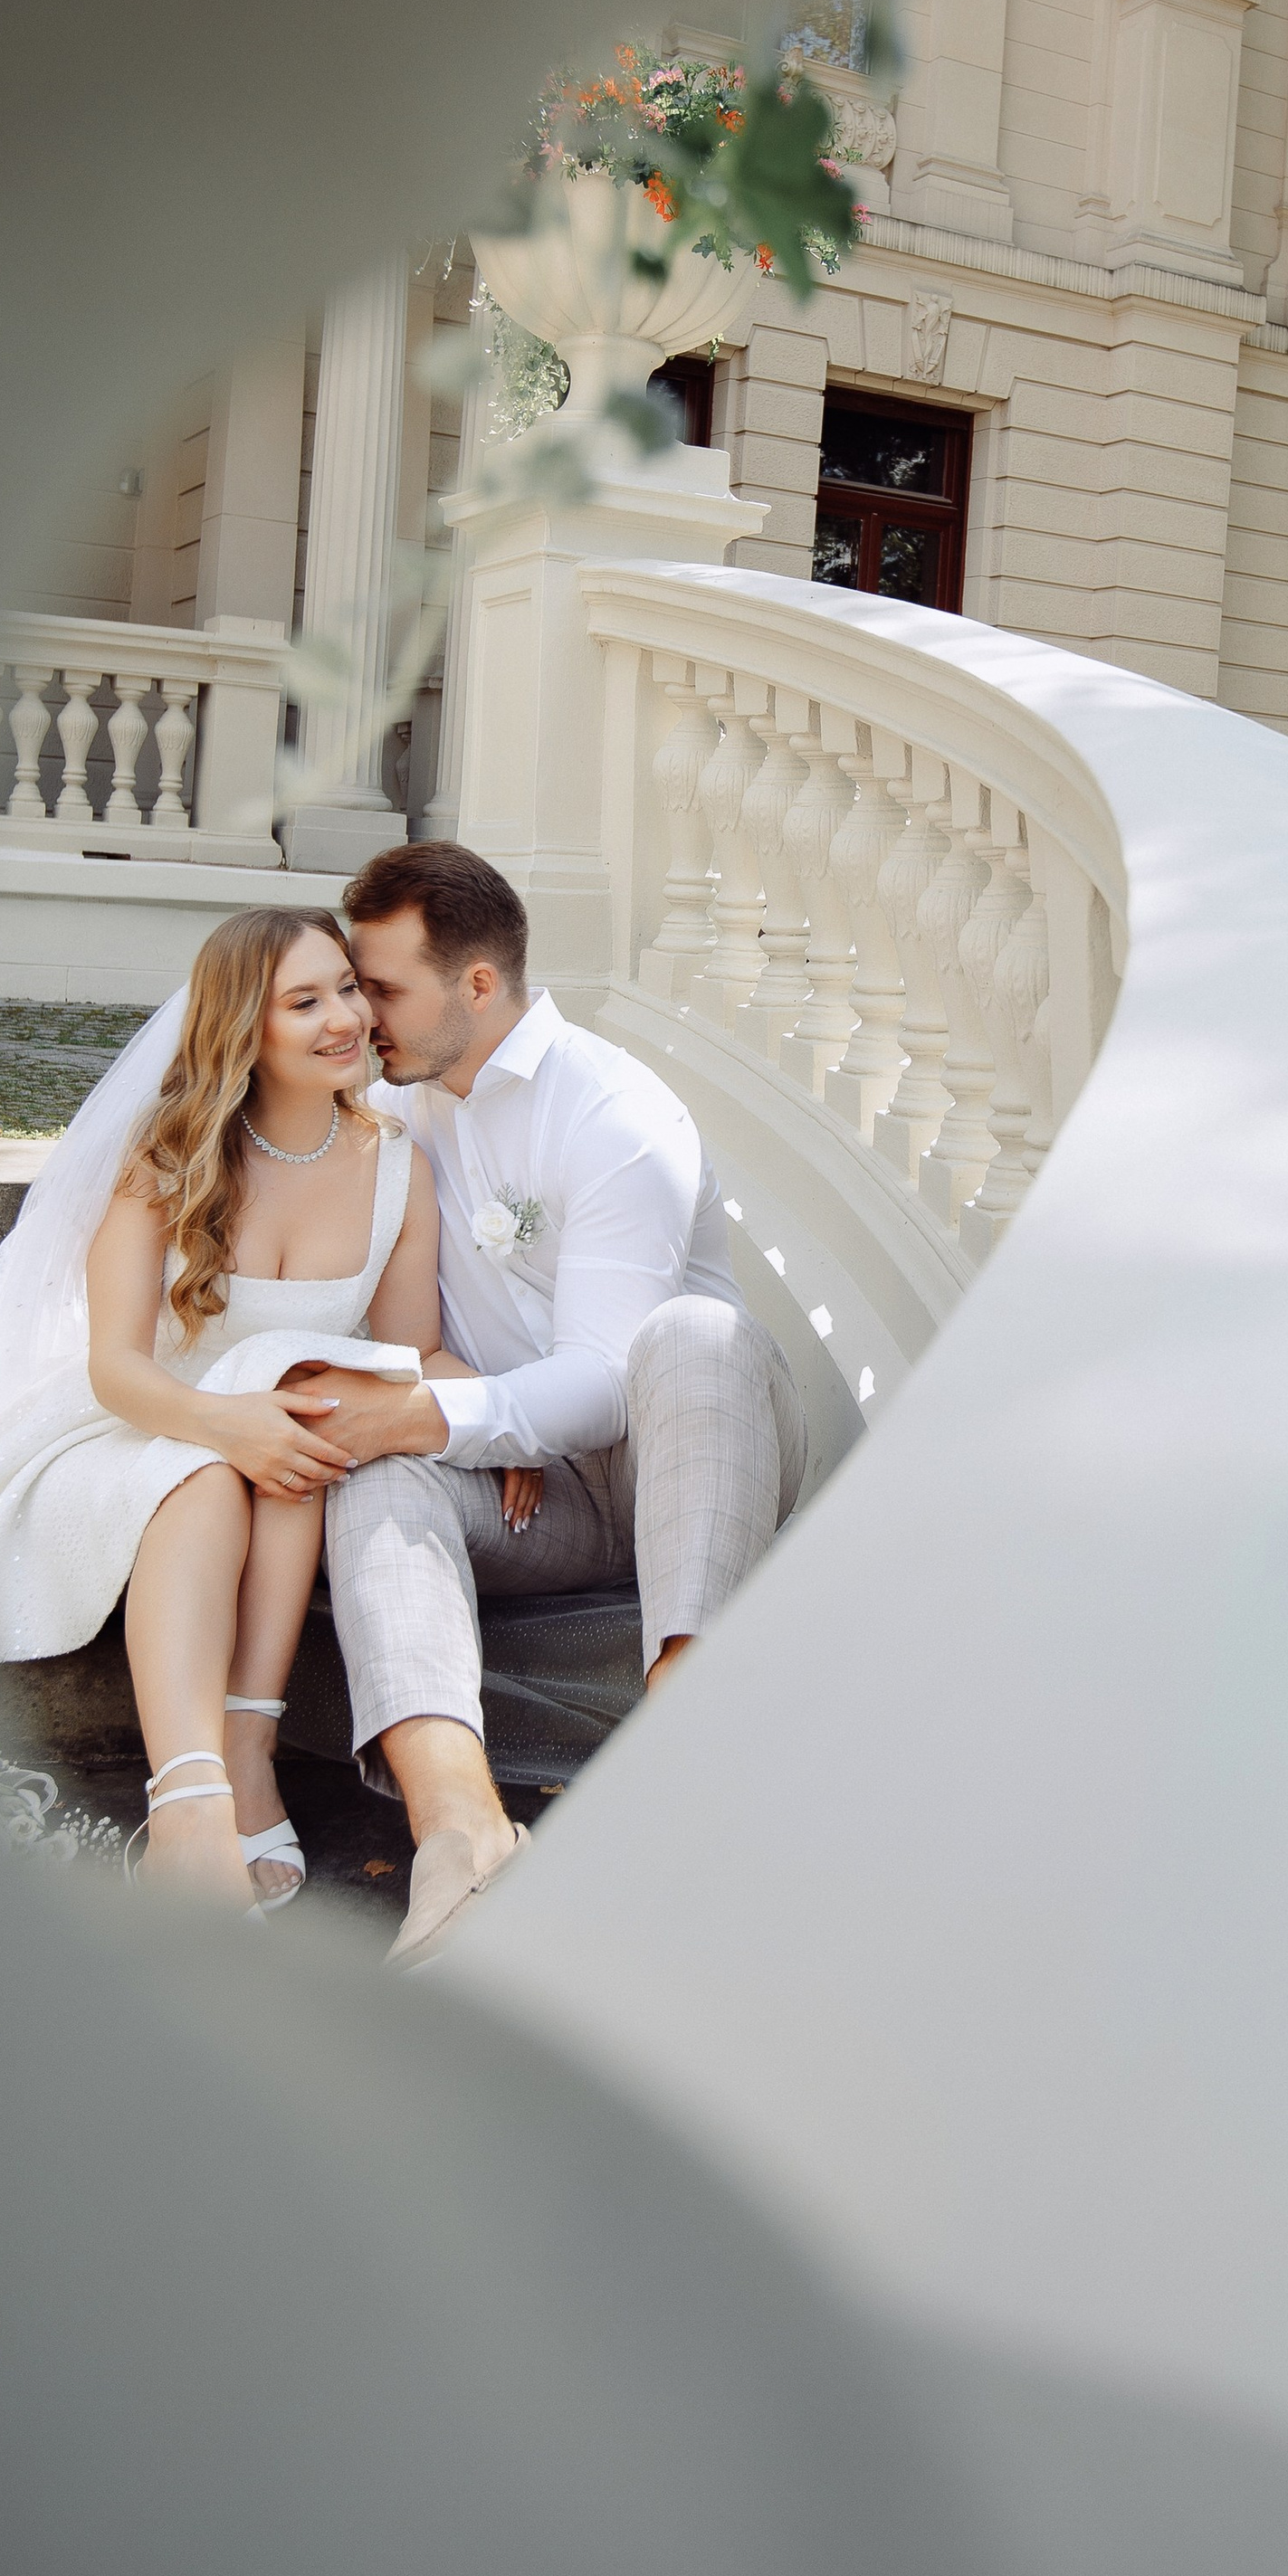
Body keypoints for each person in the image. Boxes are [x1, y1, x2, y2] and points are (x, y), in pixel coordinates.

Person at [0, 908, 524, 1914]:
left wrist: (499, 1418)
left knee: (303, 1387)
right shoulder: (168, 1158)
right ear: (244, 1028)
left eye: (347, 989)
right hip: (129, 1433)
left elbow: (411, 1349)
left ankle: (243, 1748)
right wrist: (225, 1424)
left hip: (277, 1447)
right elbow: (115, 1369)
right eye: (303, 1001)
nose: (344, 1017)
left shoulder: (399, 1165)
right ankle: (192, 1796)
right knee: (233, 1447)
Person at [289, 842, 808, 1968]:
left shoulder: (616, 1113)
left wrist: (441, 1412)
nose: (361, 1014)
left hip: (679, 1452)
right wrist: (443, 1401)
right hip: (534, 1497)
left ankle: (682, 1754)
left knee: (695, 1333)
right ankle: (462, 1836)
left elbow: (606, 1377)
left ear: (476, 986)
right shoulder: (399, 1102)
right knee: (377, 1466)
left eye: (383, 987)